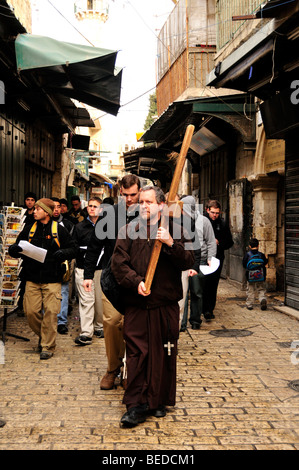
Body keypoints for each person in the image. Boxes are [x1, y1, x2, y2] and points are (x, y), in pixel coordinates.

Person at [111, 185, 194, 428]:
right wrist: (135, 282)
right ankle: (135, 405)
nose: (144, 206)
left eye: (149, 202)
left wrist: (170, 243)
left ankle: (158, 401)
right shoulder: (128, 230)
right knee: (137, 353)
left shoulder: (176, 230)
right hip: (137, 303)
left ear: (160, 205)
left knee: (164, 352)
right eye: (142, 202)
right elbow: (118, 264)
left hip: (164, 304)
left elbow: (188, 261)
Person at [83, 174, 140, 390]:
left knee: (133, 325)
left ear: (139, 192)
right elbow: (94, 246)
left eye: (133, 194)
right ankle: (112, 368)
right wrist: (88, 275)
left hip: (138, 280)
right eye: (125, 195)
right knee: (112, 323)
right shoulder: (109, 215)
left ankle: (130, 368)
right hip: (112, 279)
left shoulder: (146, 215)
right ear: (119, 194)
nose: (129, 199)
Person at [8, 198, 77, 359]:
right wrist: (13, 249)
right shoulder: (29, 228)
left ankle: (47, 346)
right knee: (30, 312)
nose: (34, 211)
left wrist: (63, 253)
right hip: (32, 278)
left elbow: (73, 248)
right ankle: (45, 336)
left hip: (52, 279)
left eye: (38, 209)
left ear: (46, 212)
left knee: (51, 313)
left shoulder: (59, 230)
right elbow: (16, 248)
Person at [180, 196, 217, 330]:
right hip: (183, 261)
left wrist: (210, 258)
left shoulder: (204, 221)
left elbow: (211, 241)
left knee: (197, 292)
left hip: (200, 261)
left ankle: (195, 320)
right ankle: (181, 324)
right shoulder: (179, 221)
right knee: (182, 294)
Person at [73, 197, 104, 345]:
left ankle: (99, 326)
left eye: (95, 206)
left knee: (99, 300)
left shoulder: (106, 226)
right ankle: (86, 332)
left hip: (100, 269)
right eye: (90, 206)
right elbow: (73, 246)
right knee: (86, 300)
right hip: (83, 267)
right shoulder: (79, 227)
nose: (92, 208)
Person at [203, 200, 234, 320]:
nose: (214, 215)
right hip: (204, 257)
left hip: (217, 257)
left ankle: (209, 310)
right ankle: (202, 308)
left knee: (213, 283)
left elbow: (230, 242)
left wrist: (219, 243)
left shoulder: (223, 224)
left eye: (217, 213)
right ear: (207, 210)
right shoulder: (202, 222)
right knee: (204, 283)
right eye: (212, 212)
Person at [52, 197, 74, 335]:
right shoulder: (39, 224)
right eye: (53, 206)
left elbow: (73, 245)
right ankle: (49, 319)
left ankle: (61, 321)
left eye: (58, 206)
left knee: (64, 291)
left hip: (63, 263)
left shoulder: (67, 224)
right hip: (47, 265)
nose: (56, 209)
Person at [242, 238, 268, 311]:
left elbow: (244, 264)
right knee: (261, 289)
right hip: (261, 275)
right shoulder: (261, 255)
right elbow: (265, 262)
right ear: (258, 245)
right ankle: (262, 299)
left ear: (250, 246)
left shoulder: (247, 255)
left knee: (250, 290)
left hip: (250, 276)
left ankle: (249, 304)